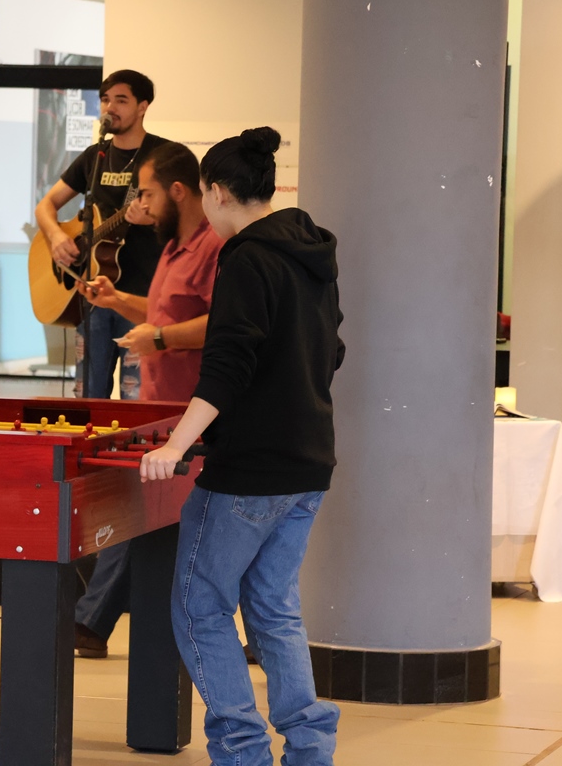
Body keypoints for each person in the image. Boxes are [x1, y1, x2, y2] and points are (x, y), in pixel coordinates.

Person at [141, 127, 345, 765]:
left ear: (217, 192)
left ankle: (241, 752)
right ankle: (309, 750)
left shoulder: (247, 259)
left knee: (199, 606)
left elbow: (228, 365)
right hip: (309, 462)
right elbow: (332, 349)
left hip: (250, 470)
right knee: (274, 608)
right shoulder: (311, 252)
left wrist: (175, 445)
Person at [71, 142, 222, 658]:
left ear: (178, 191)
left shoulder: (213, 247)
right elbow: (162, 315)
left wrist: (158, 339)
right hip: (158, 411)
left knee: (146, 521)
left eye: (149, 194)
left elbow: (220, 324)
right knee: (144, 520)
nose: (143, 205)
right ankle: (92, 623)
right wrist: (116, 300)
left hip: (190, 417)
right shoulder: (173, 247)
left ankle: (90, 622)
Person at [35, 69, 168, 400]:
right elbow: (46, 206)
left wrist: (153, 218)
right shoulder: (95, 157)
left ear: (143, 106)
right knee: (88, 398)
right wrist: (56, 237)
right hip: (93, 295)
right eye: (106, 100)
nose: (110, 107)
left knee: (137, 399)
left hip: (141, 298)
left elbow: (186, 216)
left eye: (121, 100)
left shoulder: (163, 156)